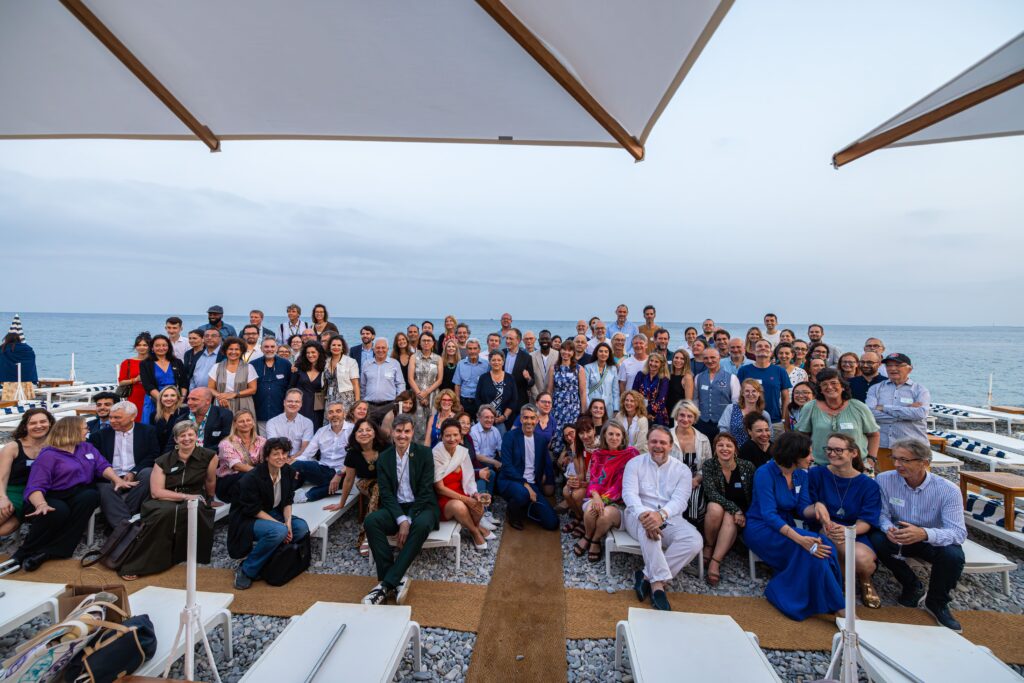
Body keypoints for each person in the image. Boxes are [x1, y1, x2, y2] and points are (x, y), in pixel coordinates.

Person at [743, 431, 844, 621]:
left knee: (824, 547)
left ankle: (830, 601)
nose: (812, 458)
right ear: (794, 454)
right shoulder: (765, 473)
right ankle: (838, 607)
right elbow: (769, 515)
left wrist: (817, 506)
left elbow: (802, 509)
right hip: (762, 529)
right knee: (813, 549)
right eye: (808, 454)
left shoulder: (801, 475)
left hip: (786, 526)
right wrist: (801, 539)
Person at [13, 417, 135, 572]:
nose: (88, 431)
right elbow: (35, 485)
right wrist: (41, 504)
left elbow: (102, 465)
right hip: (50, 495)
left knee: (90, 496)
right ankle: (25, 551)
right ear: (72, 431)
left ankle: (52, 551)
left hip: (77, 491)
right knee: (59, 510)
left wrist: (117, 480)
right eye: (85, 428)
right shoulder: (49, 455)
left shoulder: (86, 447)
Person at [868, 440, 967, 630]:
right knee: (877, 539)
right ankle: (912, 584)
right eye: (895, 458)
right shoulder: (884, 479)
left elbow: (958, 533)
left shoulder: (948, 490)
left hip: (931, 538)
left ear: (924, 462)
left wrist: (924, 533)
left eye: (904, 460)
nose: (897, 464)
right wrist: (888, 528)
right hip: (900, 535)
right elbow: (882, 514)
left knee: (953, 555)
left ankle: (937, 602)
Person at [118, 421, 218, 579]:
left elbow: (210, 480)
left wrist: (210, 498)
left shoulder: (209, 456)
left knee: (194, 509)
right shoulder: (162, 461)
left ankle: (181, 555)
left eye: (190, 434)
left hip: (194, 497)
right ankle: (139, 564)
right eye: (182, 435)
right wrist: (185, 496)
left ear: (196, 436)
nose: (187, 438)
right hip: (164, 497)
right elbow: (156, 492)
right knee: (166, 513)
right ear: (176, 439)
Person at [621, 426, 704, 610]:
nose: (658, 446)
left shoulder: (682, 470)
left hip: (670, 517)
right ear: (648, 443)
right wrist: (645, 515)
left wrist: (661, 515)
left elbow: (680, 501)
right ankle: (658, 587)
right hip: (638, 516)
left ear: (671, 445)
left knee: (694, 540)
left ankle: (646, 576)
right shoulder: (634, 464)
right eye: (654, 441)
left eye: (662, 442)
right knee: (651, 532)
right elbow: (629, 494)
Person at [361, 415, 440, 605]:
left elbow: (425, 491)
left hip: (422, 506)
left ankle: (385, 584)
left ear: (413, 433)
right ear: (392, 433)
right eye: (398, 431)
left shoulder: (424, 453)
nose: (402, 435)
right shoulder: (384, 457)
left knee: (421, 525)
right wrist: (401, 519)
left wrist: (409, 518)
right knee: (371, 521)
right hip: (396, 507)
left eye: (407, 431)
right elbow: (386, 493)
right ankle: (395, 579)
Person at [803, 433, 883, 608]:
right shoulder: (816, 474)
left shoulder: (868, 485)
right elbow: (806, 504)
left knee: (862, 559)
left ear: (853, 453)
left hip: (855, 531)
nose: (832, 454)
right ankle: (842, 582)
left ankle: (864, 579)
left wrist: (848, 531)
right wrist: (820, 511)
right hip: (825, 526)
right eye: (829, 449)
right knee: (831, 535)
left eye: (838, 450)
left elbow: (867, 520)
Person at [228, 437, 310, 589]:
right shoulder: (252, 478)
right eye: (276, 454)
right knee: (278, 531)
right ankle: (246, 569)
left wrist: (288, 523)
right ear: (266, 457)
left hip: (273, 512)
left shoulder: (287, 471)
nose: (281, 457)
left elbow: (287, 501)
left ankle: (268, 560)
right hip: (248, 518)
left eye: (284, 453)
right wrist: (281, 526)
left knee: (301, 528)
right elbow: (253, 509)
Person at [573, 422, 639, 562]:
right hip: (599, 496)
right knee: (591, 510)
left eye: (618, 434)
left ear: (623, 437)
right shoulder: (598, 454)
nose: (614, 438)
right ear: (604, 435)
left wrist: (603, 500)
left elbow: (623, 485)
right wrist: (596, 496)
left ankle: (595, 540)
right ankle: (588, 536)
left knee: (604, 515)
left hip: (621, 501)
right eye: (610, 434)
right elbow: (593, 480)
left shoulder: (631, 454)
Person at [87, 400, 159, 527]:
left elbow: (153, 455)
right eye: (111, 417)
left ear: (133, 417)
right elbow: (96, 462)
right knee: (103, 488)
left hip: (136, 475)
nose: (112, 421)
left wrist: (134, 472)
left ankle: (120, 524)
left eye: (117, 417)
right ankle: (128, 526)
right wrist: (113, 477)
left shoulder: (147, 431)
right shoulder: (99, 436)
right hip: (110, 478)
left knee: (148, 473)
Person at [323, 418, 387, 555]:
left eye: (368, 430)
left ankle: (372, 531)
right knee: (377, 488)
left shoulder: (385, 447)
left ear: (375, 433)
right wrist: (341, 503)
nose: (364, 433)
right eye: (360, 430)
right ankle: (368, 536)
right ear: (355, 434)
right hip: (365, 482)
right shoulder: (352, 453)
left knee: (379, 488)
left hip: (386, 483)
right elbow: (349, 480)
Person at [701, 433, 756, 586]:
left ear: (735, 449)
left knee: (729, 516)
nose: (724, 448)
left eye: (729, 445)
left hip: (742, 514)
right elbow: (711, 493)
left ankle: (715, 561)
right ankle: (709, 545)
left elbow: (754, 494)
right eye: (720, 445)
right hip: (719, 511)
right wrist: (734, 509)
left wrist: (739, 512)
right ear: (715, 449)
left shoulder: (747, 467)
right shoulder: (709, 465)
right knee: (714, 507)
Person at [797, 368, 880, 468]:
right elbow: (802, 437)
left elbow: (874, 435)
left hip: (856, 466)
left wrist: (871, 459)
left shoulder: (859, 407)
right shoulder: (810, 407)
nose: (829, 387)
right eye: (824, 384)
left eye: (834, 383)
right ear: (820, 389)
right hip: (821, 466)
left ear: (843, 386)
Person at [433, 418, 495, 549]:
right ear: (441, 436)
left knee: (479, 505)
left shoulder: (461, 451)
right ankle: (475, 531)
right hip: (442, 499)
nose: (452, 439)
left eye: (455, 435)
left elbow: (469, 478)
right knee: (459, 506)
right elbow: (439, 488)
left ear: (460, 436)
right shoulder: (436, 454)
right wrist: (466, 500)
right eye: (448, 435)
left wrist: (476, 494)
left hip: (461, 492)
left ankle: (476, 526)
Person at [496, 403, 557, 530]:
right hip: (510, 481)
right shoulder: (510, 437)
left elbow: (546, 463)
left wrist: (547, 481)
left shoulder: (541, 440)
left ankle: (526, 506)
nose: (529, 421)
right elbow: (507, 466)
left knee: (552, 523)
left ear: (537, 420)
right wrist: (526, 485)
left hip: (532, 484)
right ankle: (512, 512)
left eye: (532, 418)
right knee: (523, 494)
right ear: (521, 419)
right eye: (526, 417)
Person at [866, 353, 930, 470]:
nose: (892, 368)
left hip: (913, 448)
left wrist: (885, 408)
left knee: (915, 479)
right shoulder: (875, 389)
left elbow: (920, 413)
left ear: (909, 369)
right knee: (883, 479)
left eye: (898, 365)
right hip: (883, 446)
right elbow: (869, 413)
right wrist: (906, 412)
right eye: (889, 365)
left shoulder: (920, 390)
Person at [0, 409, 54, 537]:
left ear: (50, 423)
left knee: (8, 527)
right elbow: (1, 478)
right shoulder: (12, 447)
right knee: (4, 512)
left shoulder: (53, 447)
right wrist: (2, 498)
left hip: (35, 493)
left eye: (43, 421)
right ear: (25, 426)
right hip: (10, 491)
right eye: (33, 423)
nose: (39, 426)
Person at [290, 401, 351, 503]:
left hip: (342, 472)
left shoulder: (352, 430)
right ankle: (286, 493)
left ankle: (306, 496)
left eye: (338, 411)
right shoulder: (321, 431)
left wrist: (339, 474)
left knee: (342, 481)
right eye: (331, 412)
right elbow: (307, 454)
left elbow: (354, 459)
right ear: (327, 416)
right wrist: (292, 464)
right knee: (296, 465)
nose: (334, 414)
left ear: (344, 414)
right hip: (322, 469)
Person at [738, 339, 792, 430]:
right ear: (754, 351)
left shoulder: (780, 371)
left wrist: (783, 419)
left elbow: (786, 398)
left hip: (775, 421)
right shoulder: (744, 370)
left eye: (766, 346)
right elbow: (739, 395)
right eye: (759, 346)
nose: (763, 348)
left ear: (771, 352)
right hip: (748, 420)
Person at [216, 409, 266, 504]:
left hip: (254, 479)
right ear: (235, 424)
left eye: (248, 420)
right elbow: (237, 466)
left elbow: (267, 460)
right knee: (249, 477)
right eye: (241, 421)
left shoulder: (261, 441)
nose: (245, 423)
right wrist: (261, 473)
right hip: (230, 482)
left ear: (253, 422)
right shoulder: (226, 443)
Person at [139, 334, 187, 424]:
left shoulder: (177, 362)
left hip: (175, 400)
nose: (161, 348)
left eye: (164, 345)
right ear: (152, 348)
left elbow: (184, 382)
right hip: (154, 400)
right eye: (157, 345)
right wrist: (163, 400)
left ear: (169, 347)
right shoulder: (145, 364)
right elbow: (147, 385)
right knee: (151, 427)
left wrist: (182, 398)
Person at [694, 348, 740, 439]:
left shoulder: (732, 378)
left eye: (712, 357)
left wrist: (732, 422)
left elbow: (736, 402)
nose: (709, 361)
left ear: (719, 358)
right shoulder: (698, 377)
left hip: (723, 423)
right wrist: (696, 417)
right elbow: (695, 399)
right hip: (702, 422)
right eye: (706, 358)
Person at [560, 419, 596, 534]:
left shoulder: (600, 447)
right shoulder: (581, 447)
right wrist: (573, 481)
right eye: (581, 433)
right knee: (566, 490)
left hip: (597, 485)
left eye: (588, 431)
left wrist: (583, 483)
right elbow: (581, 473)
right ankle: (579, 517)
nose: (585, 436)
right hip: (587, 481)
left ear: (594, 430)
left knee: (576, 494)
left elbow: (600, 478)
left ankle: (586, 522)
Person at [208, 337, 258, 417]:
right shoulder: (216, 367)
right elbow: (210, 388)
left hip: (243, 405)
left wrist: (235, 394)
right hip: (222, 403)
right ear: (225, 351)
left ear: (241, 351)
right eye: (230, 349)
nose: (233, 352)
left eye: (237, 349)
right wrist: (220, 397)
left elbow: (253, 390)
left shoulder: (249, 367)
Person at [251, 337, 293, 434]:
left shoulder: (286, 364)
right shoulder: (253, 365)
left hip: (280, 412)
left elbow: (291, 387)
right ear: (261, 349)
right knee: (262, 440)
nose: (269, 349)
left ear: (277, 348)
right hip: (260, 412)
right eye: (266, 347)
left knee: (279, 439)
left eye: (272, 346)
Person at [549, 342, 587, 446]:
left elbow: (583, 392)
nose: (566, 352)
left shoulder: (579, 369)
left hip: (573, 407)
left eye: (569, 350)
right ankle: (557, 455)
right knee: (556, 432)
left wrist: (583, 412)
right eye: (564, 349)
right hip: (557, 406)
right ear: (560, 350)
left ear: (573, 353)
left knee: (572, 433)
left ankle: (571, 454)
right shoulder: (553, 368)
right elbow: (549, 390)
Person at [408, 332, 441, 443]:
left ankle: (431, 449)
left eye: (429, 340)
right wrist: (421, 395)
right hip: (417, 395)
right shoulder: (414, 357)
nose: (426, 343)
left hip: (433, 396)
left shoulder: (438, 358)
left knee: (432, 424)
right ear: (420, 342)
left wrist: (426, 392)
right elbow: (410, 378)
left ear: (433, 343)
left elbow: (439, 380)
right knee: (418, 425)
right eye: (424, 340)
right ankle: (417, 449)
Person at [477, 350, 518, 432]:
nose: (496, 362)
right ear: (489, 362)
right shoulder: (483, 378)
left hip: (504, 420)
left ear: (503, 362)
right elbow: (478, 398)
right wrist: (486, 415)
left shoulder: (510, 378)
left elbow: (514, 399)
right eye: (493, 360)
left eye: (499, 360)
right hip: (486, 419)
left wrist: (504, 416)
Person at [289, 340, 326, 429]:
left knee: (316, 430)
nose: (310, 355)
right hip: (300, 405)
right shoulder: (298, 368)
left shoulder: (325, 369)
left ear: (319, 353)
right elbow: (290, 387)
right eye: (308, 353)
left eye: (313, 352)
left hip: (317, 407)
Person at [266, 389, 315, 456]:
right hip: (278, 458)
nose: (293, 404)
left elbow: (304, 449)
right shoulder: (272, 423)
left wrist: (292, 459)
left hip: (298, 458)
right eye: (290, 401)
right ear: (284, 403)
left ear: (301, 404)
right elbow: (273, 447)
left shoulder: (307, 423)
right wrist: (284, 459)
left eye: (297, 402)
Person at [117, 333, 151, 421]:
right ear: (135, 347)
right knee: (135, 419)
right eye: (139, 345)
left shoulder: (154, 362)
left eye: (145, 345)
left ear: (150, 347)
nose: (141, 347)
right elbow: (121, 382)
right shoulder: (127, 362)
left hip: (151, 395)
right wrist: (135, 380)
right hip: (134, 395)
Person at [502, 329, 534, 418]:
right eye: (506, 338)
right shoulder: (501, 353)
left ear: (518, 341)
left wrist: (528, 378)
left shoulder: (526, 357)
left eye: (511, 339)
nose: (507, 341)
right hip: (501, 399)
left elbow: (532, 382)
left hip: (519, 400)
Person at [632, 352, 669, 426]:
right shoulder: (640, 375)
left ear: (661, 364)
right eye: (651, 361)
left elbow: (661, 400)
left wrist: (646, 413)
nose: (653, 364)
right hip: (639, 413)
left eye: (656, 362)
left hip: (657, 416)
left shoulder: (664, 379)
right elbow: (634, 394)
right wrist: (641, 412)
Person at [453, 339, 486, 418]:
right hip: (464, 401)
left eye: (475, 348)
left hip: (480, 401)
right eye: (470, 349)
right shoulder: (460, 364)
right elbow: (457, 385)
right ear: (466, 350)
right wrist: (458, 403)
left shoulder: (486, 364)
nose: (472, 351)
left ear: (479, 350)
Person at [150, 386, 188, 453]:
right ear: (161, 398)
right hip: (160, 453)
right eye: (165, 396)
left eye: (173, 395)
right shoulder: (154, 415)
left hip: (179, 452)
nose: (169, 398)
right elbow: (153, 438)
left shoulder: (185, 412)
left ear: (178, 398)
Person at [585, 342, 619, 412]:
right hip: (593, 405)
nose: (603, 354)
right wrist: (588, 407)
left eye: (606, 352)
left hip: (608, 406)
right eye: (601, 351)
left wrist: (616, 409)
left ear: (609, 354)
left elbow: (615, 391)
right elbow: (585, 390)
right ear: (596, 353)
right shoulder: (588, 368)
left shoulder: (613, 369)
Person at [666, 349, 693, 426]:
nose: (678, 360)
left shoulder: (687, 377)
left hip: (678, 414)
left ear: (686, 361)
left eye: (682, 359)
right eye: (676, 357)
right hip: (667, 412)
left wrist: (683, 417)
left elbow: (688, 401)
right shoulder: (669, 375)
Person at [529, 330, 557, 401]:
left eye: (547, 339)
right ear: (538, 340)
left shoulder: (558, 355)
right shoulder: (531, 356)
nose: (544, 341)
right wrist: (537, 397)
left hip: (554, 398)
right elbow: (530, 378)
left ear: (551, 340)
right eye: (542, 339)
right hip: (535, 398)